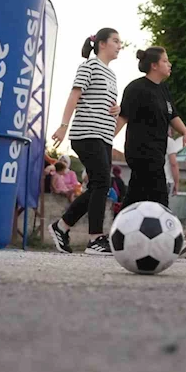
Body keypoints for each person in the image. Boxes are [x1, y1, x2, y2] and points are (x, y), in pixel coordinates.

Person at [115, 47, 186, 255]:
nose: (169, 65)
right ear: (154, 65)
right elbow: (123, 117)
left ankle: (116, 235)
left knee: (136, 194)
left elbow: (173, 115)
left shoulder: (163, 90)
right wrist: (106, 140)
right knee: (159, 191)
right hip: (140, 149)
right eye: (165, 61)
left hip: (157, 150)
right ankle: (175, 238)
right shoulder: (136, 88)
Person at [50, 28, 122, 255]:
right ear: (102, 44)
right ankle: (95, 239)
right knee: (102, 182)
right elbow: (75, 95)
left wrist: (118, 109)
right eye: (115, 41)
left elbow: (103, 102)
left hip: (104, 136)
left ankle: (61, 227)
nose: (120, 45)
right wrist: (63, 126)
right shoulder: (89, 66)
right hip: (86, 133)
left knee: (99, 185)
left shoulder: (111, 74)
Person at [165, 129, 184, 198]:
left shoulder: (147, 140)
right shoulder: (169, 141)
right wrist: (176, 183)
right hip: (164, 180)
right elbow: (173, 164)